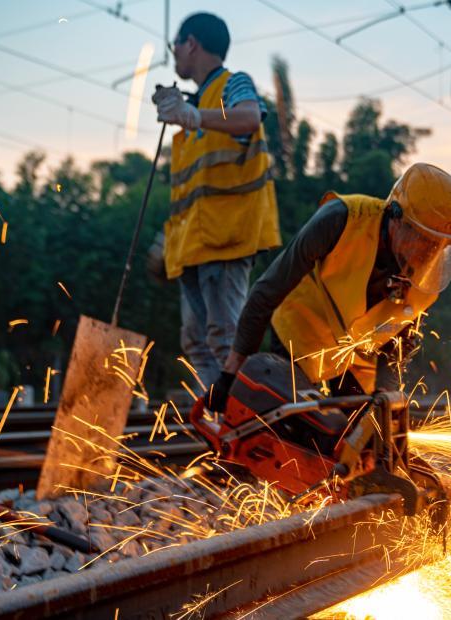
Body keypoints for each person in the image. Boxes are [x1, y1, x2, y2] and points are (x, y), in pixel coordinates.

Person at [206, 162, 451, 411]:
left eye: (439, 246)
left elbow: (397, 343)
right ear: (396, 217)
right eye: (425, 241)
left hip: (352, 358)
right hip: (300, 332)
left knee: (362, 439)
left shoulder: (423, 277)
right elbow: (267, 290)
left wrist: (385, 397)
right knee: (301, 433)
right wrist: (231, 373)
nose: (430, 253)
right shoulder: (341, 219)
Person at [151, 12, 280, 389]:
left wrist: (192, 115)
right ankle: (219, 425)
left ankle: (246, 427)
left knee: (225, 340)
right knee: (196, 341)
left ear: (191, 43)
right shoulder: (199, 104)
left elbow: (249, 116)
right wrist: (167, 240)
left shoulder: (231, 84)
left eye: (176, 43)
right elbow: (194, 192)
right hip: (194, 245)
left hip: (226, 239)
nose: (174, 51)